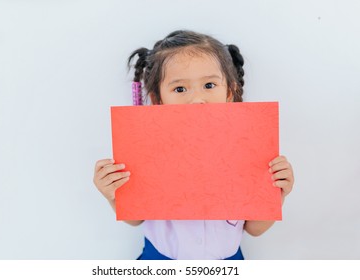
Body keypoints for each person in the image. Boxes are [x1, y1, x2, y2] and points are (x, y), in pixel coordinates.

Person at [93, 30, 294, 260]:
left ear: (229, 92)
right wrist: (112, 193)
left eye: (209, 85)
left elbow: (254, 229)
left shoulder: (247, 150)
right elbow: (135, 219)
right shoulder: (148, 149)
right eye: (180, 89)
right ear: (158, 99)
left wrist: (277, 196)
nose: (197, 99)